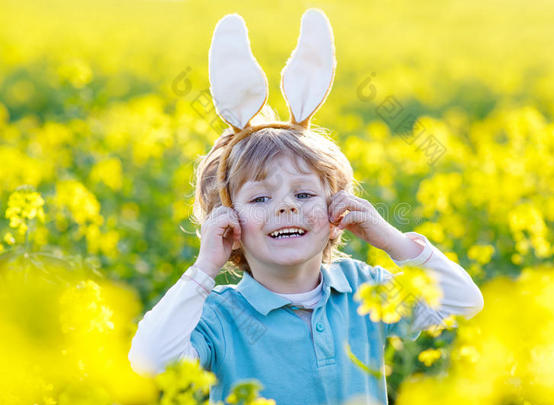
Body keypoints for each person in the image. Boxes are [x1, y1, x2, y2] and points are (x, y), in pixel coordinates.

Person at [128, 9, 484, 405]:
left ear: (336, 214)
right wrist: (204, 268)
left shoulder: (363, 291)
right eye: (260, 198)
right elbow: (149, 362)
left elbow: (462, 301)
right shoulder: (220, 316)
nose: (286, 209)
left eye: (304, 195)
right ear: (229, 225)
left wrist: (389, 238)